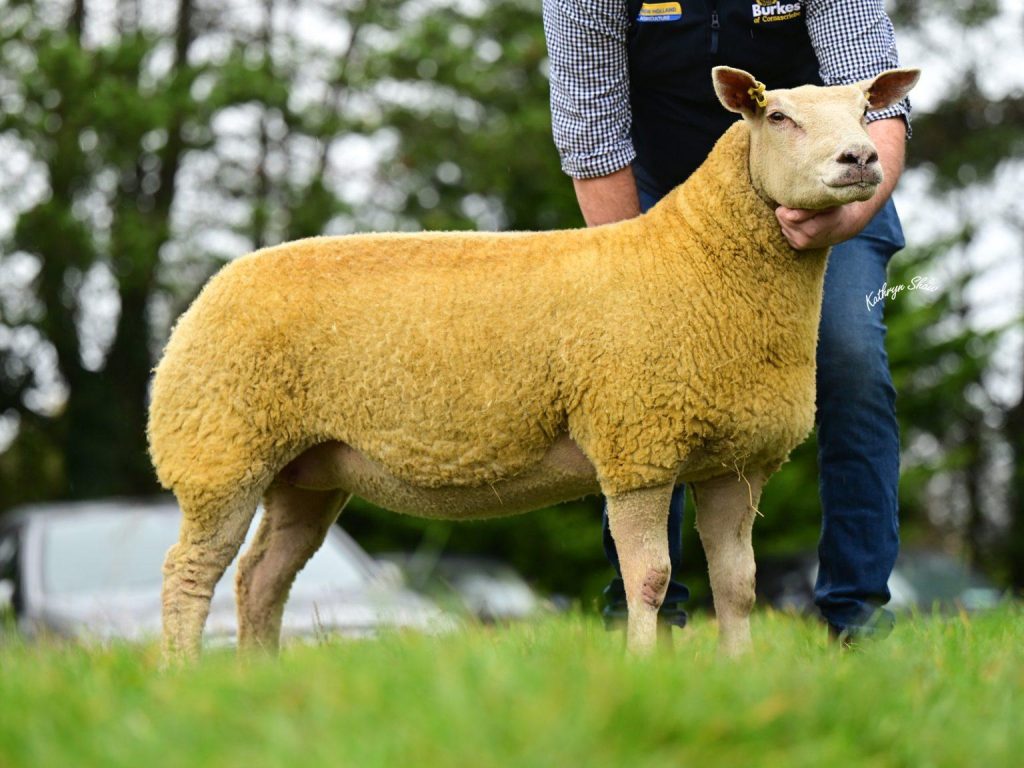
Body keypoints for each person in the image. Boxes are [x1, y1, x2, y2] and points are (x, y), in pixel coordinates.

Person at [542, 0, 911, 642]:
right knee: (647, 376)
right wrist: (640, 274)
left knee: (850, 354)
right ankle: (650, 617)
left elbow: (876, 101)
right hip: (663, 195)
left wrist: (847, 216)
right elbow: (592, 131)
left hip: (820, 185)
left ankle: (856, 615)